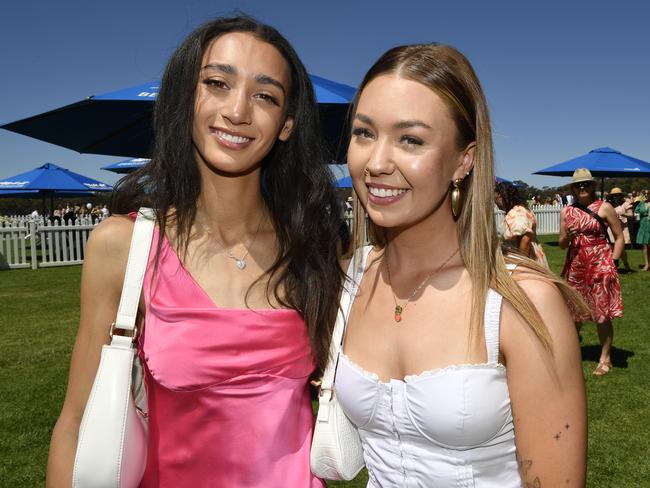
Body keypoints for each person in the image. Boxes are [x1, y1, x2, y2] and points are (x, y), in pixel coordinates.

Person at [47, 16, 346, 487]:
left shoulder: (316, 250)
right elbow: (75, 422)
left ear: (286, 125)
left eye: (265, 95)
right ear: (187, 97)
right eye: (217, 83)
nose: (238, 111)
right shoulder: (123, 246)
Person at [336, 43, 587, 487]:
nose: (376, 163)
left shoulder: (520, 302)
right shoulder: (351, 278)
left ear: (463, 160)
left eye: (410, 139)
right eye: (364, 133)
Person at [559, 168, 624, 376]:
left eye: (586, 184)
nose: (582, 188)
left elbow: (619, 237)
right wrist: (567, 236)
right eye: (578, 185)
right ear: (573, 188)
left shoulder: (604, 207)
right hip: (577, 266)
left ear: (593, 186)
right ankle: (570, 354)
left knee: (601, 314)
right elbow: (561, 244)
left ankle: (606, 358)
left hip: (600, 264)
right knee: (574, 314)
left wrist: (612, 262)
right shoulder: (567, 212)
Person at [495, 181, 548, 267]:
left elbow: (526, 238)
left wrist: (520, 264)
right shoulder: (524, 209)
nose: (495, 202)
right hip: (533, 254)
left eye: (496, 198)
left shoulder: (516, 213)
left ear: (501, 196)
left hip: (525, 258)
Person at [607, 187, 633, 272]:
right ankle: (612, 266)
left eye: (617, 195)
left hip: (622, 229)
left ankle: (626, 265)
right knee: (611, 248)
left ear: (620, 196)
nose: (615, 197)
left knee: (621, 250)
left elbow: (631, 215)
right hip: (611, 229)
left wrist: (623, 214)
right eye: (614, 196)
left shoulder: (625, 204)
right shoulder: (608, 205)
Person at [635, 194, 650, 270]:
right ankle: (647, 264)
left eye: (648, 194)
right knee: (645, 245)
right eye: (646, 194)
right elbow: (636, 212)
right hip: (644, 224)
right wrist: (637, 219)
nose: (647, 196)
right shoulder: (641, 203)